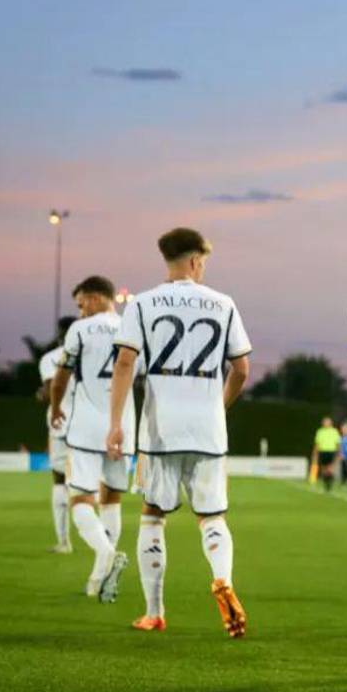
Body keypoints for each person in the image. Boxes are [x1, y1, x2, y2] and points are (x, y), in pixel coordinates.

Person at [106, 227, 252, 637]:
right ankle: (222, 579)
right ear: (194, 261)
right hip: (208, 429)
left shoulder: (143, 303)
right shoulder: (223, 303)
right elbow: (241, 370)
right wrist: (218, 406)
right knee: (212, 516)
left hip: (160, 430)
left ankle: (154, 612)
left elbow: (125, 364)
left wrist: (116, 424)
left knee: (153, 515)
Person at [49, 276, 134, 600]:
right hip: (122, 426)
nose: (80, 310)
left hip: (86, 426)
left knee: (80, 499)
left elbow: (60, 378)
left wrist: (56, 406)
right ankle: (102, 575)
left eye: (82, 302)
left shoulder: (80, 329)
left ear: (97, 297)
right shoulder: (132, 326)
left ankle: (104, 552)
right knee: (111, 498)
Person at [37, 315, 76, 554]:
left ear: (60, 333)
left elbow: (52, 388)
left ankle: (64, 542)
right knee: (94, 482)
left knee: (60, 480)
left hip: (61, 421)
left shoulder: (50, 358)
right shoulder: (92, 354)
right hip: (89, 423)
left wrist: (41, 394)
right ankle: (104, 540)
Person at [312, 417, 341, 492]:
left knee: (330, 468)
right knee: (324, 469)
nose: (326, 423)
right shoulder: (320, 431)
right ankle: (326, 484)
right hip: (323, 451)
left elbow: (338, 443)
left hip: (331, 451)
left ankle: (329, 484)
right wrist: (315, 452)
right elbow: (317, 443)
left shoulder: (334, 431)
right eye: (325, 422)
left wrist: (339, 452)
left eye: (327, 422)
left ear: (331, 423)